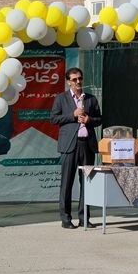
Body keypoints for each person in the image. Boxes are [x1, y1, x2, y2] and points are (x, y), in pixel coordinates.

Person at [50, 67, 102, 229]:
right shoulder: (61, 99)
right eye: (74, 79)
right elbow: (53, 119)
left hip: (87, 145)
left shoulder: (91, 99)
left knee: (87, 183)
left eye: (80, 78)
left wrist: (89, 120)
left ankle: (84, 218)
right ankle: (66, 219)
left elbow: (99, 119)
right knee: (67, 182)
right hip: (69, 146)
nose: (78, 82)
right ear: (68, 82)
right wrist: (72, 115)